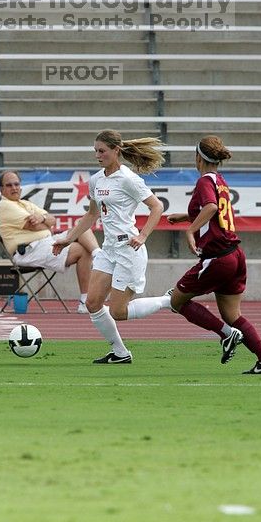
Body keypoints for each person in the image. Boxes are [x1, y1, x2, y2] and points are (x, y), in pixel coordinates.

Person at [53, 129, 171, 364]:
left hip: (129, 248)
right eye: (95, 151)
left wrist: (144, 235)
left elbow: (157, 207)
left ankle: (169, 300)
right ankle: (120, 352)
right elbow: (91, 215)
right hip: (109, 250)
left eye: (102, 151)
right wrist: (68, 238)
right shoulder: (96, 179)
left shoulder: (128, 179)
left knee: (119, 311)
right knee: (92, 303)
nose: (98, 155)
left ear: (116, 150)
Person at [166, 135, 261, 375]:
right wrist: (185, 216)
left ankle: (227, 335)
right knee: (232, 315)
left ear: (198, 157)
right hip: (235, 255)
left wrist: (190, 228)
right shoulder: (220, 181)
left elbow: (211, 208)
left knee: (176, 301)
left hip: (218, 258)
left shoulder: (204, 181)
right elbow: (216, 213)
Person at [0, 170, 100, 313]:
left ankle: (98, 256)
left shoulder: (25, 204)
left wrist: (43, 219)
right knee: (81, 250)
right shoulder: (4, 206)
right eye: (9, 185)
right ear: (2, 189)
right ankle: (84, 301)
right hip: (27, 251)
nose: (14, 188)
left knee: (82, 225)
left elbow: (52, 220)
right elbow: (34, 225)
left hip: (45, 242)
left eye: (16, 184)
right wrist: (44, 222)